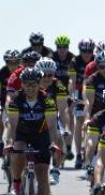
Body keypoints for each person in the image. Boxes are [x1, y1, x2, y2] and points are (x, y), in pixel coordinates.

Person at [6, 67, 59, 195]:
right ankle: (16, 182)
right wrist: (9, 142)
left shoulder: (47, 101)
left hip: (41, 135)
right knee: (18, 150)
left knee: (42, 174)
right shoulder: (16, 100)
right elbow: (12, 125)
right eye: (27, 85)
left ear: (39, 84)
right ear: (22, 85)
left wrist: (53, 143)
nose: (30, 88)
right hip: (22, 133)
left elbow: (51, 126)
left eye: (34, 85)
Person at [34, 57, 70, 185]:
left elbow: (63, 109)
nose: (47, 78)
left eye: (50, 75)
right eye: (44, 75)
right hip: (33, 116)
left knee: (62, 147)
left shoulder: (58, 85)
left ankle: (55, 169)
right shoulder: (32, 83)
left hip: (52, 117)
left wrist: (65, 128)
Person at [68, 38, 96, 169]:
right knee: (79, 120)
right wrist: (72, 96)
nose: (87, 53)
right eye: (84, 51)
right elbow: (71, 82)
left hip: (94, 92)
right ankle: (78, 153)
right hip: (79, 91)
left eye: (89, 51)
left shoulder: (96, 61)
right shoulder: (75, 61)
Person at [0, 49, 21, 157]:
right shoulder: (0, 74)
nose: (13, 65)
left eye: (15, 63)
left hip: (18, 102)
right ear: (6, 62)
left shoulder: (23, 73)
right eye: (10, 63)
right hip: (3, 101)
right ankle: (0, 142)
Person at [52, 35, 76, 161]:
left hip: (67, 91)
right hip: (53, 90)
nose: (62, 50)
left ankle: (68, 146)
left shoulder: (72, 59)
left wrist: (71, 95)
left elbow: (72, 80)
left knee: (70, 115)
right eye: (59, 47)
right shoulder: (51, 57)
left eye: (65, 47)